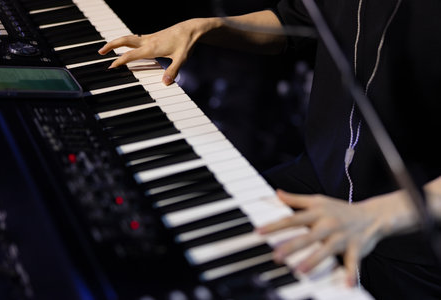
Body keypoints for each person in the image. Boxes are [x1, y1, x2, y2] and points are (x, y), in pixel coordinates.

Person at [98, 0, 441, 298]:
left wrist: (374, 216)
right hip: (317, 179)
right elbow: (295, 21)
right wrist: (207, 27)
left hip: (413, 238)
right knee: (184, 243)